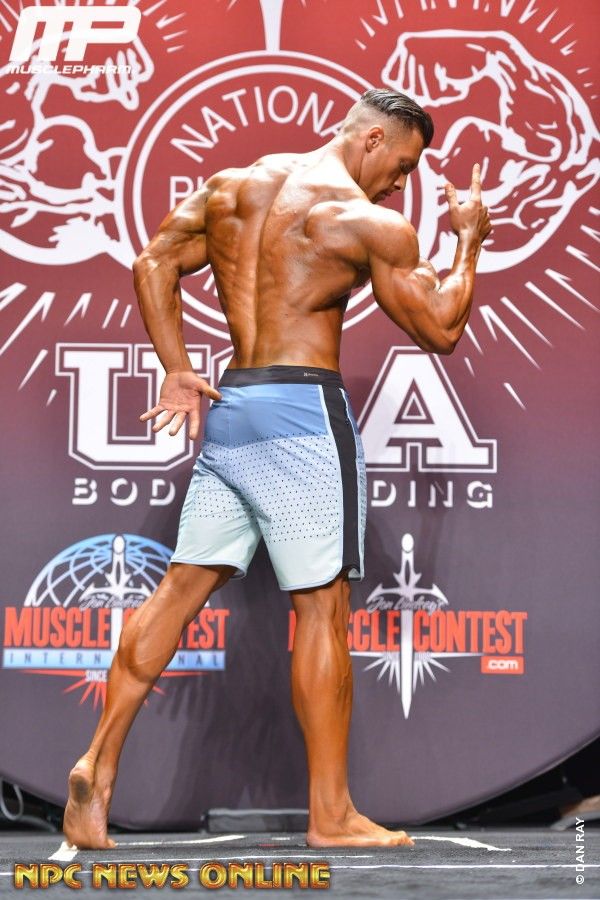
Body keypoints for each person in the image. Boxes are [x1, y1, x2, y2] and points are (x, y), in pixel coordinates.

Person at [63, 88, 491, 850]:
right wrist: (469, 242)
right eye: (402, 165)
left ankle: (96, 766)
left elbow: (153, 261)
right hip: (301, 416)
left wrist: (177, 368)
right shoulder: (364, 221)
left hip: (235, 409)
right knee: (323, 611)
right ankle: (332, 815)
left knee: (176, 592)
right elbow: (440, 328)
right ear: (371, 139)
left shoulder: (233, 188)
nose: (402, 185)